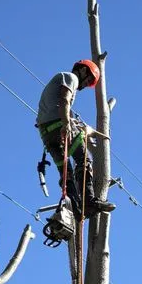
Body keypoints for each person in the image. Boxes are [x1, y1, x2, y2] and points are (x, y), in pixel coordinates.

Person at [36, 60, 116, 219]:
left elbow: (58, 109)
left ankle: (76, 208)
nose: (86, 84)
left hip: (46, 134)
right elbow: (65, 100)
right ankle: (89, 201)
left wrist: (72, 123)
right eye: (89, 79)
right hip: (58, 126)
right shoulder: (70, 77)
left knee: (66, 172)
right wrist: (66, 124)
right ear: (83, 70)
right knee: (83, 158)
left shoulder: (56, 85)